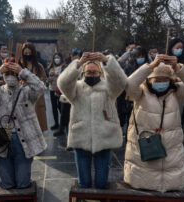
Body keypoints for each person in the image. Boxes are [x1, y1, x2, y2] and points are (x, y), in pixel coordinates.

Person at [124, 54, 184, 192]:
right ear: (149, 79)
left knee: (169, 176)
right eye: (157, 79)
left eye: (165, 79)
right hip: (144, 146)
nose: (161, 82)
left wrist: (177, 67)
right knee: (143, 183)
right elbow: (129, 84)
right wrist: (150, 66)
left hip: (170, 148)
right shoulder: (140, 92)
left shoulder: (175, 91)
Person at [57, 52, 127, 189]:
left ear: (100, 72)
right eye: (88, 72)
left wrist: (106, 61)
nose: (91, 74)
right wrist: (78, 63)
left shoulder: (109, 88)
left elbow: (121, 82)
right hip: (81, 137)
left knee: (102, 183)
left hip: (104, 138)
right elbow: (62, 83)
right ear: (83, 72)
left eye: (95, 72)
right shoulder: (76, 88)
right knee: (84, 183)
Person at [0, 60, 47, 189]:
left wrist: (23, 72)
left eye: (13, 73)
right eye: (7, 73)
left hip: (24, 142)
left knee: (22, 183)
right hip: (1, 142)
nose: (10, 76)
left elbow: (40, 87)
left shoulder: (27, 92)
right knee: (6, 183)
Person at [19, 42, 48, 132]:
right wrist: (21, 82)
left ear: (33, 53)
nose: (27, 55)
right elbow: (15, 79)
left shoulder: (38, 66)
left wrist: (33, 81)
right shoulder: (19, 65)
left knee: (37, 127)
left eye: (29, 53)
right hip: (22, 97)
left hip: (37, 98)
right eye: (25, 53)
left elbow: (44, 79)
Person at [54, 55, 72, 137]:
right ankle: (62, 128)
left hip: (71, 93)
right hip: (64, 93)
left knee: (68, 113)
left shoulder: (77, 68)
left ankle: (66, 130)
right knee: (63, 111)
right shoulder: (65, 68)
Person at [48, 53, 64, 130]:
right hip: (52, 89)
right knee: (54, 107)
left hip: (61, 90)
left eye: (58, 57)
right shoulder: (51, 67)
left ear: (61, 58)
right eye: (55, 58)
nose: (56, 59)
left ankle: (63, 123)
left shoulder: (64, 67)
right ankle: (56, 123)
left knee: (61, 107)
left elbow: (65, 76)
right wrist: (51, 76)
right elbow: (48, 80)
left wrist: (57, 74)